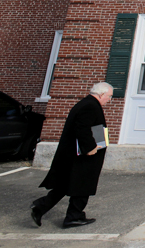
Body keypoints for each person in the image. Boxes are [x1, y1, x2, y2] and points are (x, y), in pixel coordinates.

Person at [30, 82, 113, 228]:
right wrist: (90, 148)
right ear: (101, 94)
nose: (109, 100)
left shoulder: (86, 103)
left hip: (75, 154)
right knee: (83, 185)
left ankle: (41, 207)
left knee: (67, 184)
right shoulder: (90, 106)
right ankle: (73, 216)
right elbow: (82, 128)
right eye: (109, 96)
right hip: (83, 155)